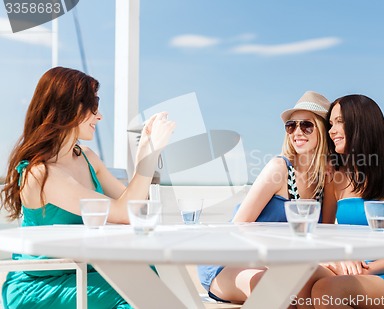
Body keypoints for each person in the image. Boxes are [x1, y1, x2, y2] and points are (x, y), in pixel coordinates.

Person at [0, 66, 175, 309]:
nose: (99, 116)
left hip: (86, 271)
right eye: (93, 106)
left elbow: (137, 208)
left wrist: (147, 149)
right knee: (141, 295)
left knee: (152, 277)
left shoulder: (87, 157)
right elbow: (125, 214)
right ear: (67, 108)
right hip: (45, 283)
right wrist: (147, 156)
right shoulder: (42, 173)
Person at [197, 90, 333, 304]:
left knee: (329, 288)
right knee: (276, 291)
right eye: (291, 126)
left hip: (284, 266)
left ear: (324, 130)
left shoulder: (326, 180)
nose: (297, 132)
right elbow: (239, 226)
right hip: (233, 261)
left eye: (306, 125)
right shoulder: (278, 169)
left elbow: (324, 236)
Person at [310, 94, 384, 309]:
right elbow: (323, 235)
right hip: (353, 272)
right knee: (300, 276)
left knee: (327, 290)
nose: (331, 131)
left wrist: (366, 269)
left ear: (361, 124)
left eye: (339, 122)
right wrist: (339, 259)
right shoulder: (334, 177)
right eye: (330, 124)